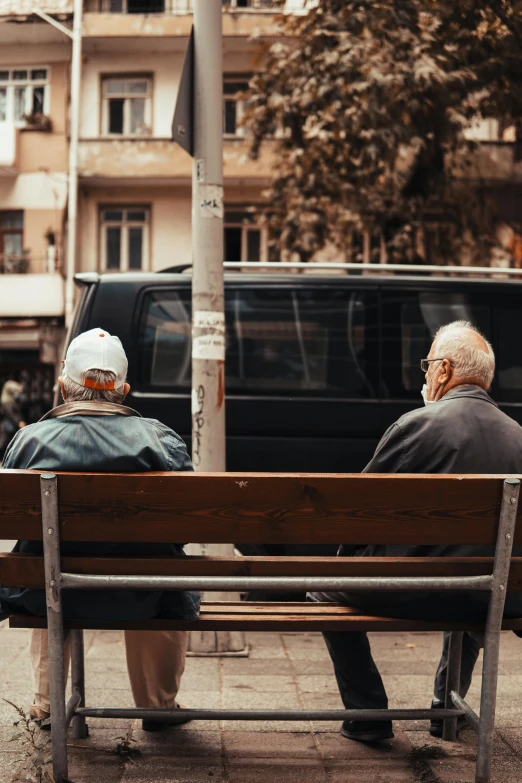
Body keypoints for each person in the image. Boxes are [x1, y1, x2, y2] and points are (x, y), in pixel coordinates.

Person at [310, 320, 522, 743]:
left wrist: (345, 564)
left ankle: (369, 715)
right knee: (480, 579)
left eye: (427, 365)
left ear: (443, 370)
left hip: (409, 588)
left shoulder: (414, 426)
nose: (425, 374)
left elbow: (357, 515)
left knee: (322, 589)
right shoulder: (519, 437)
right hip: (493, 594)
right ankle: (446, 710)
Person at [0, 328, 200, 732]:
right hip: (140, 596)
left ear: (62, 386)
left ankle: (48, 703)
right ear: (123, 390)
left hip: (50, 595)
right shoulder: (162, 442)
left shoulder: (28, 442)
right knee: (160, 569)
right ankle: (158, 705)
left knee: (44, 565)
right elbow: (181, 531)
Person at [0, 378, 25, 457]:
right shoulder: (6, 402)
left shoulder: (11, 401)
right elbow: (11, 414)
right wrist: (19, 422)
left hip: (10, 427)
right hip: (7, 427)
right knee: (3, 443)